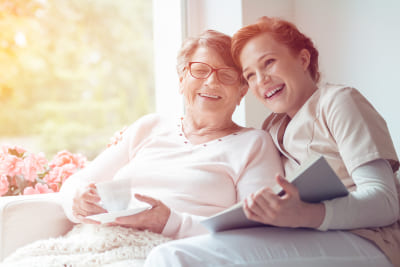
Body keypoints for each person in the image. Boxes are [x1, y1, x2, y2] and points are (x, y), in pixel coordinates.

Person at [2, 29, 284, 266]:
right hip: (96, 239)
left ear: (242, 90)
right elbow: (79, 182)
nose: (211, 81)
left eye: (226, 75)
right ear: (182, 79)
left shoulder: (253, 144)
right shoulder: (150, 126)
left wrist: (170, 222)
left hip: (169, 251)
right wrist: (77, 200)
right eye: (199, 70)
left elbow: (253, 229)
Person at [144, 17, 400, 267]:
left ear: (302, 59)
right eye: (250, 75)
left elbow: (385, 202)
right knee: (171, 253)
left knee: (170, 258)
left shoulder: (339, 102)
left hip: (370, 238)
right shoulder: (273, 127)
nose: (261, 79)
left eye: (268, 63)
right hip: (308, 234)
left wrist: (304, 214)